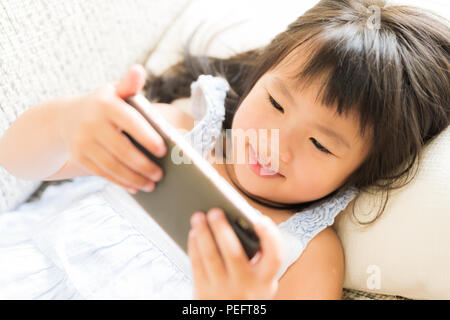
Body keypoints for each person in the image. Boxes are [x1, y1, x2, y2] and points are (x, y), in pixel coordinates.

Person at [0, 0, 448, 299]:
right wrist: (67, 122)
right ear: (258, 77)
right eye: (275, 102)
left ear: (362, 171)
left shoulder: (306, 253)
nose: (278, 145)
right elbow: (17, 159)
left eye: (319, 143)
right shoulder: (178, 131)